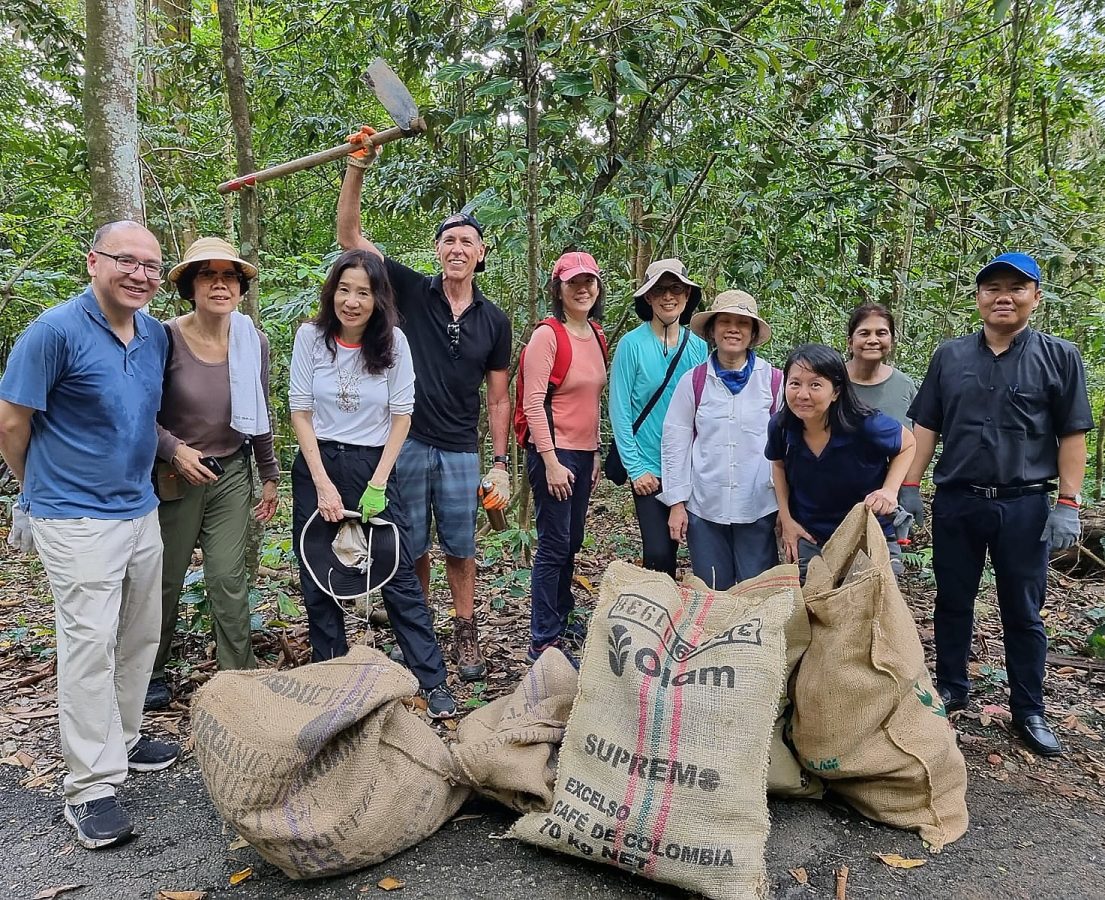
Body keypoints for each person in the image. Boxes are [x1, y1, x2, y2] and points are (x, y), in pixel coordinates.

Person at [0, 221, 179, 850]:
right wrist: (37, 492)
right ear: (93, 262)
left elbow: (145, 416)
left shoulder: (154, 334)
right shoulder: (54, 331)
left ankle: (124, 737)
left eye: (151, 265)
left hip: (139, 507)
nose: (140, 274)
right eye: (126, 260)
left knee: (139, 633)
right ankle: (90, 786)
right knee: (89, 644)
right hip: (74, 517)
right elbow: (12, 423)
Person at [902, 252, 1091, 757]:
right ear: (979, 298)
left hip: (1024, 506)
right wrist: (910, 485)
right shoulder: (950, 356)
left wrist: (1068, 502)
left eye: (1016, 288)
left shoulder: (1060, 357)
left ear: (1036, 297)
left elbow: (1073, 434)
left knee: (1023, 611)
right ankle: (951, 688)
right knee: (952, 599)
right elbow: (927, 425)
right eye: (993, 288)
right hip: (958, 502)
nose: (1003, 297)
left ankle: (1029, 709)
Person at [337, 133, 511, 682]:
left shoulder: (495, 321)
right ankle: (419, 632)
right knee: (410, 546)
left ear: (481, 254)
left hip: (460, 449)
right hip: (407, 441)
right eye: (448, 240)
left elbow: (498, 396)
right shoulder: (411, 291)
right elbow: (350, 238)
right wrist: (357, 167)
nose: (457, 248)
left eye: (467, 241)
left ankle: (465, 631)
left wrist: (500, 462)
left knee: (461, 548)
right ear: (438, 250)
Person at [289, 249, 457, 719]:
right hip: (319, 462)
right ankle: (332, 678)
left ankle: (431, 679)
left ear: (378, 298)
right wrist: (322, 483)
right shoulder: (310, 338)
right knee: (318, 571)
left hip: (374, 464)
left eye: (363, 292)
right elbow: (300, 410)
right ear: (332, 293)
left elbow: (402, 415)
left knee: (396, 572)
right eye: (344, 290)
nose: (352, 301)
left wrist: (378, 483)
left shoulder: (394, 343)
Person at [143, 238, 280, 711]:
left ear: (240, 288)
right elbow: (139, 412)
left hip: (231, 473)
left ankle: (237, 678)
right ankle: (149, 672)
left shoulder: (252, 340)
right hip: (174, 475)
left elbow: (259, 410)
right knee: (164, 578)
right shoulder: (162, 338)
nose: (220, 285)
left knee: (227, 578)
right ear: (190, 286)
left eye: (229, 276)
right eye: (208, 275)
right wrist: (174, 450)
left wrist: (269, 473)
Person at [659, 291, 780, 590]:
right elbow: (675, 442)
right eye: (725, 322)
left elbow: (786, 448)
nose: (733, 329)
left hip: (758, 506)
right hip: (705, 507)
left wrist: (787, 510)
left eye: (742, 323)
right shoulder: (694, 381)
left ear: (753, 334)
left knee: (756, 593)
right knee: (713, 593)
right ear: (712, 331)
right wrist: (676, 503)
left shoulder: (774, 381)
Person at [766, 343, 917, 582]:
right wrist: (786, 520)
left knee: (870, 603)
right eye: (795, 383)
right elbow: (778, 465)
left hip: (868, 534)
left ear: (836, 391)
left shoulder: (865, 424)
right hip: (812, 536)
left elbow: (908, 444)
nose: (802, 394)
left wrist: (889, 490)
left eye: (815, 385)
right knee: (813, 603)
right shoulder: (781, 426)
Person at [522, 252, 607, 663]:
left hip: (582, 452)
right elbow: (533, 402)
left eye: (589, 281)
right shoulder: (548, 336)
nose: (583, 289)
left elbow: (592, 401)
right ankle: (543, 638)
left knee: (571, 541)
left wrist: (594, 452)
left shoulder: (597, 335)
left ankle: (561, 613)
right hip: (552, 452)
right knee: (554, 546)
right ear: (558, 289)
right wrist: (551, 461)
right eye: (573, 282)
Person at [608, 258, 707, 577]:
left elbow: (704, 409)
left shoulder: (698, 348)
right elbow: (619, 410)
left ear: (687, 296)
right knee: (658, 554)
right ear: (648, 297)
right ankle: (657, 607)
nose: (668, 296)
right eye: (660, 289)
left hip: (688, 468)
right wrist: (636, 469)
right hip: (649, 469)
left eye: (676, 288)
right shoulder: (631, 345)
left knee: (701, 553)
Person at [844, 302, 916, 427]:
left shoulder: (904, 385)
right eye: (864, 333)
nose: (873, 340)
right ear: (850, 342)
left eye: (881, 333)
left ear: (891, 342)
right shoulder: (832, 381)